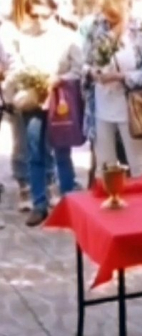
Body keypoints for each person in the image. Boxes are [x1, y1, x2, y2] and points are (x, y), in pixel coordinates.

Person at [3, 0, 82, 226]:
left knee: (62, 152)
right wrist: (23, 80)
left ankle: (68, 201)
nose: (38, 18)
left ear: (53, 9)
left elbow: (78, 69)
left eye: (42, 13)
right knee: (34, 152)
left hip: (60, 102)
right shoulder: (24, 37)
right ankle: (40, 203)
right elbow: (16, 65)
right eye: (33, 13)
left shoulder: (67, 36)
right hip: (33, 102)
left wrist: (59, 80)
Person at [82, 0, 142, 179]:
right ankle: (109, 201)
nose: (109, 21)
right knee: (104, 165)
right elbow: (85, 62)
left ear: (128, 7)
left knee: (138, 164)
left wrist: (122, 76)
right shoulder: (95, 27)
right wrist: (92, 73)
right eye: (107, 16)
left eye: (115, 17)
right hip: (101, 104)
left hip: (132, 106)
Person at [1, 0, 59, 213]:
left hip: (41, 86)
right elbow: (7, 61)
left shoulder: (44, 25)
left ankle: (49, 180)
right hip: (19, 90)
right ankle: (25, 184)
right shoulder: (9, 27)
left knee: (45, 139)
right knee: (21, 138)